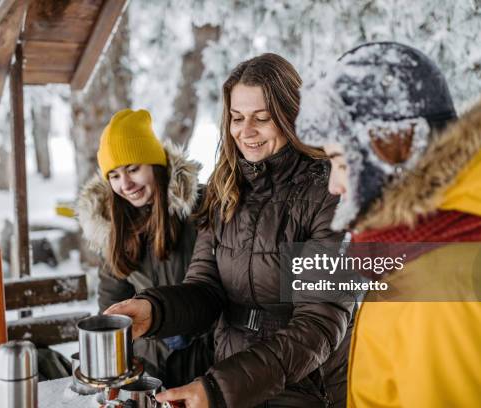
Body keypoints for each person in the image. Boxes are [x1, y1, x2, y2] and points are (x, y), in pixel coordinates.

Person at [105, 53, 355, 408]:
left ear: (292, 115)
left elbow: (319, 324)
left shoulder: (329, 191)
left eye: (262, 118)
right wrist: (154, 311)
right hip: (227, 372)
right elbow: (206, 290)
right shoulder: (226, 188)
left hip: (305, 387)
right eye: (237, 118)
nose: (245, 131)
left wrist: (220, 389)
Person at [297, 41, 481, 407]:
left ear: (387, 151)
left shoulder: (446, 288)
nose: (333, 185)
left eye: (342, 163)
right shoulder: (420, 251)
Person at [77, 108, 213, 387]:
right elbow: (112, 301)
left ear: (156, 165)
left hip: (207, 362)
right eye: (114, 175)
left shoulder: (200, 210)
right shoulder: (114, 226)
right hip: (150, 367)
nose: (125, 184)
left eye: (133, 169)